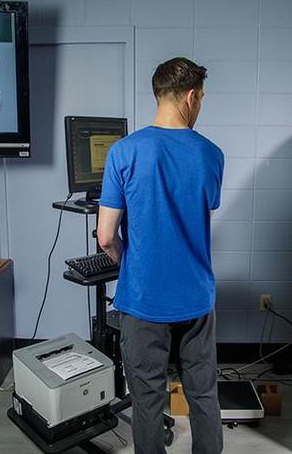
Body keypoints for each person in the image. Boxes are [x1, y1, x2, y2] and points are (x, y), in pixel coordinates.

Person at [96, 57, 224, 454]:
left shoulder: (123, 152)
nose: (200, 105)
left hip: (143, 300)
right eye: (200, 97)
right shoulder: (211, 154)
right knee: (203, 395)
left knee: (148, 403)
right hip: (196, 299)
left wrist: (126, 262)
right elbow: (196, 214)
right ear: (189, 97)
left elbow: (105, 237)